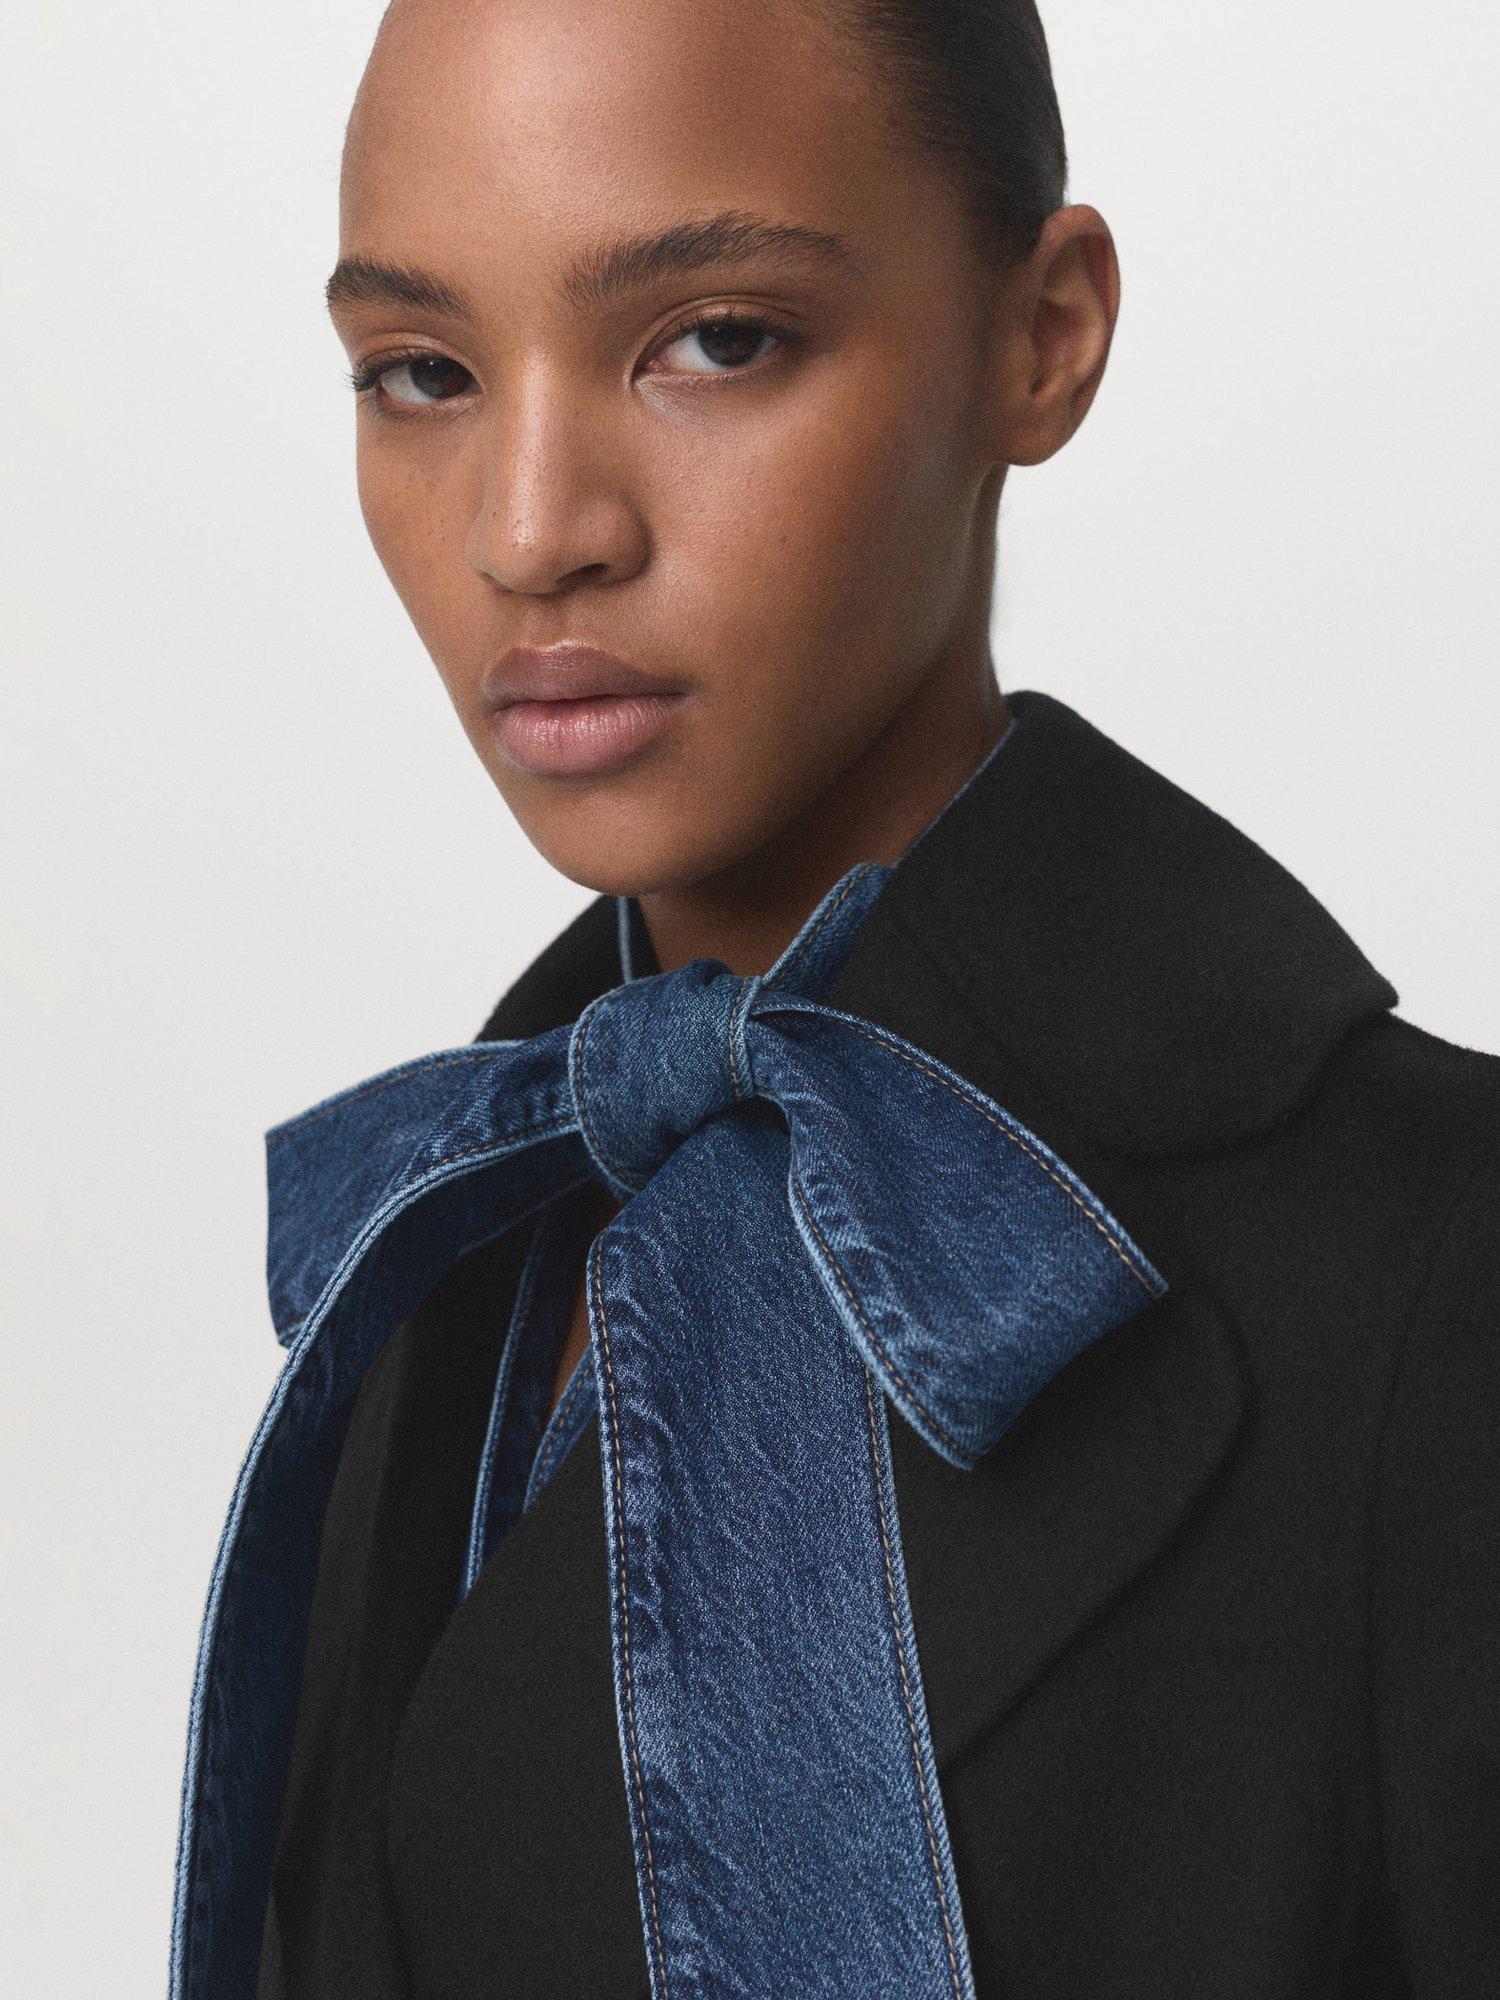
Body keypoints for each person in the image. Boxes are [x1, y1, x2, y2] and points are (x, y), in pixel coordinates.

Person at [168, 2, 1500, 1996]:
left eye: (718, 340)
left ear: (1042, 334)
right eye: (423, 372)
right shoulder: (443, 1257)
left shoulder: (1440, 1262)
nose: (534, 530)